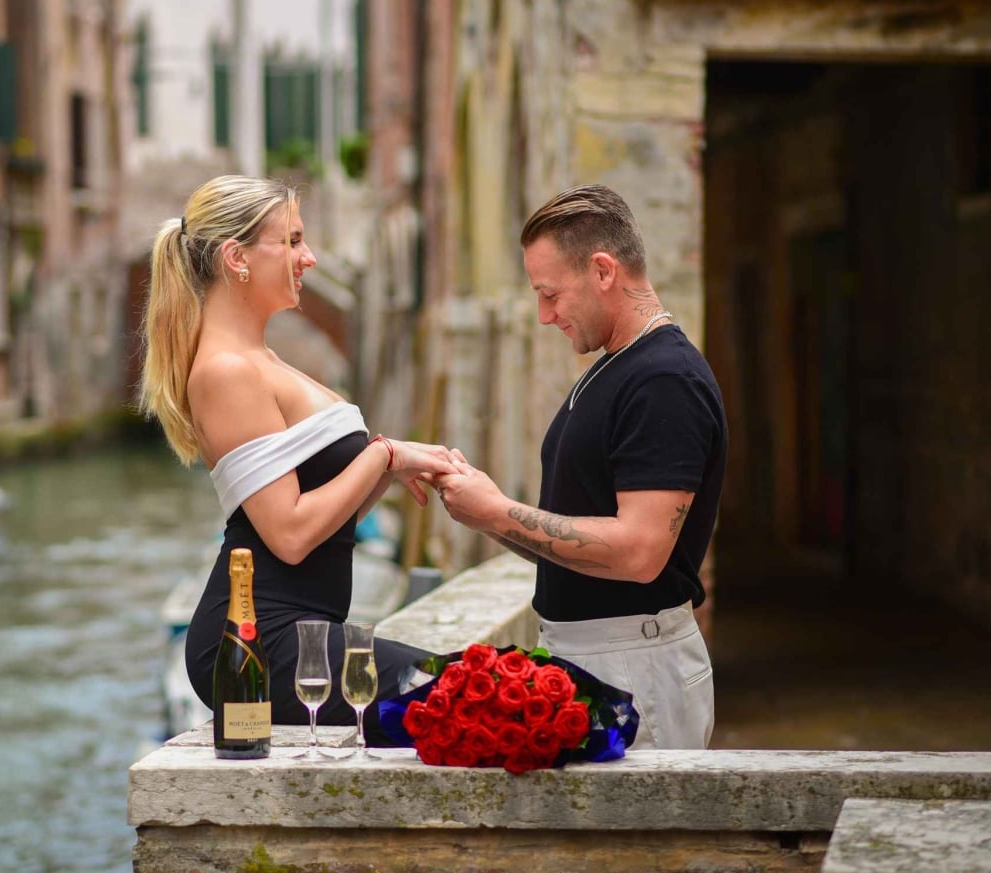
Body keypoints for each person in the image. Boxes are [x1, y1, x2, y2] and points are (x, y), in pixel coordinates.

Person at [138, 175, 457, 743]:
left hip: (303, 631)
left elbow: (325, 520)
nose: (308, 257)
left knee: (477, 688)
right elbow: (287, 534)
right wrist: (382, 454)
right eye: (290, 242)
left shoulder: (260, 358)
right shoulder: (226, 371)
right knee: (470, 697)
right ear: (237, 257)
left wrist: (387, 468)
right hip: (257, 645)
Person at [434, 184, 727, 749]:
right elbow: (576, 532)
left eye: (551, 294)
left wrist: (499, 510)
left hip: (636, 670)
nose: (545, 316)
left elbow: (641, 553)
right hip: (602, 659)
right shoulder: (616, 367)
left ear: (602, 270)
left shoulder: (665, 380)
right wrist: (488, 515)